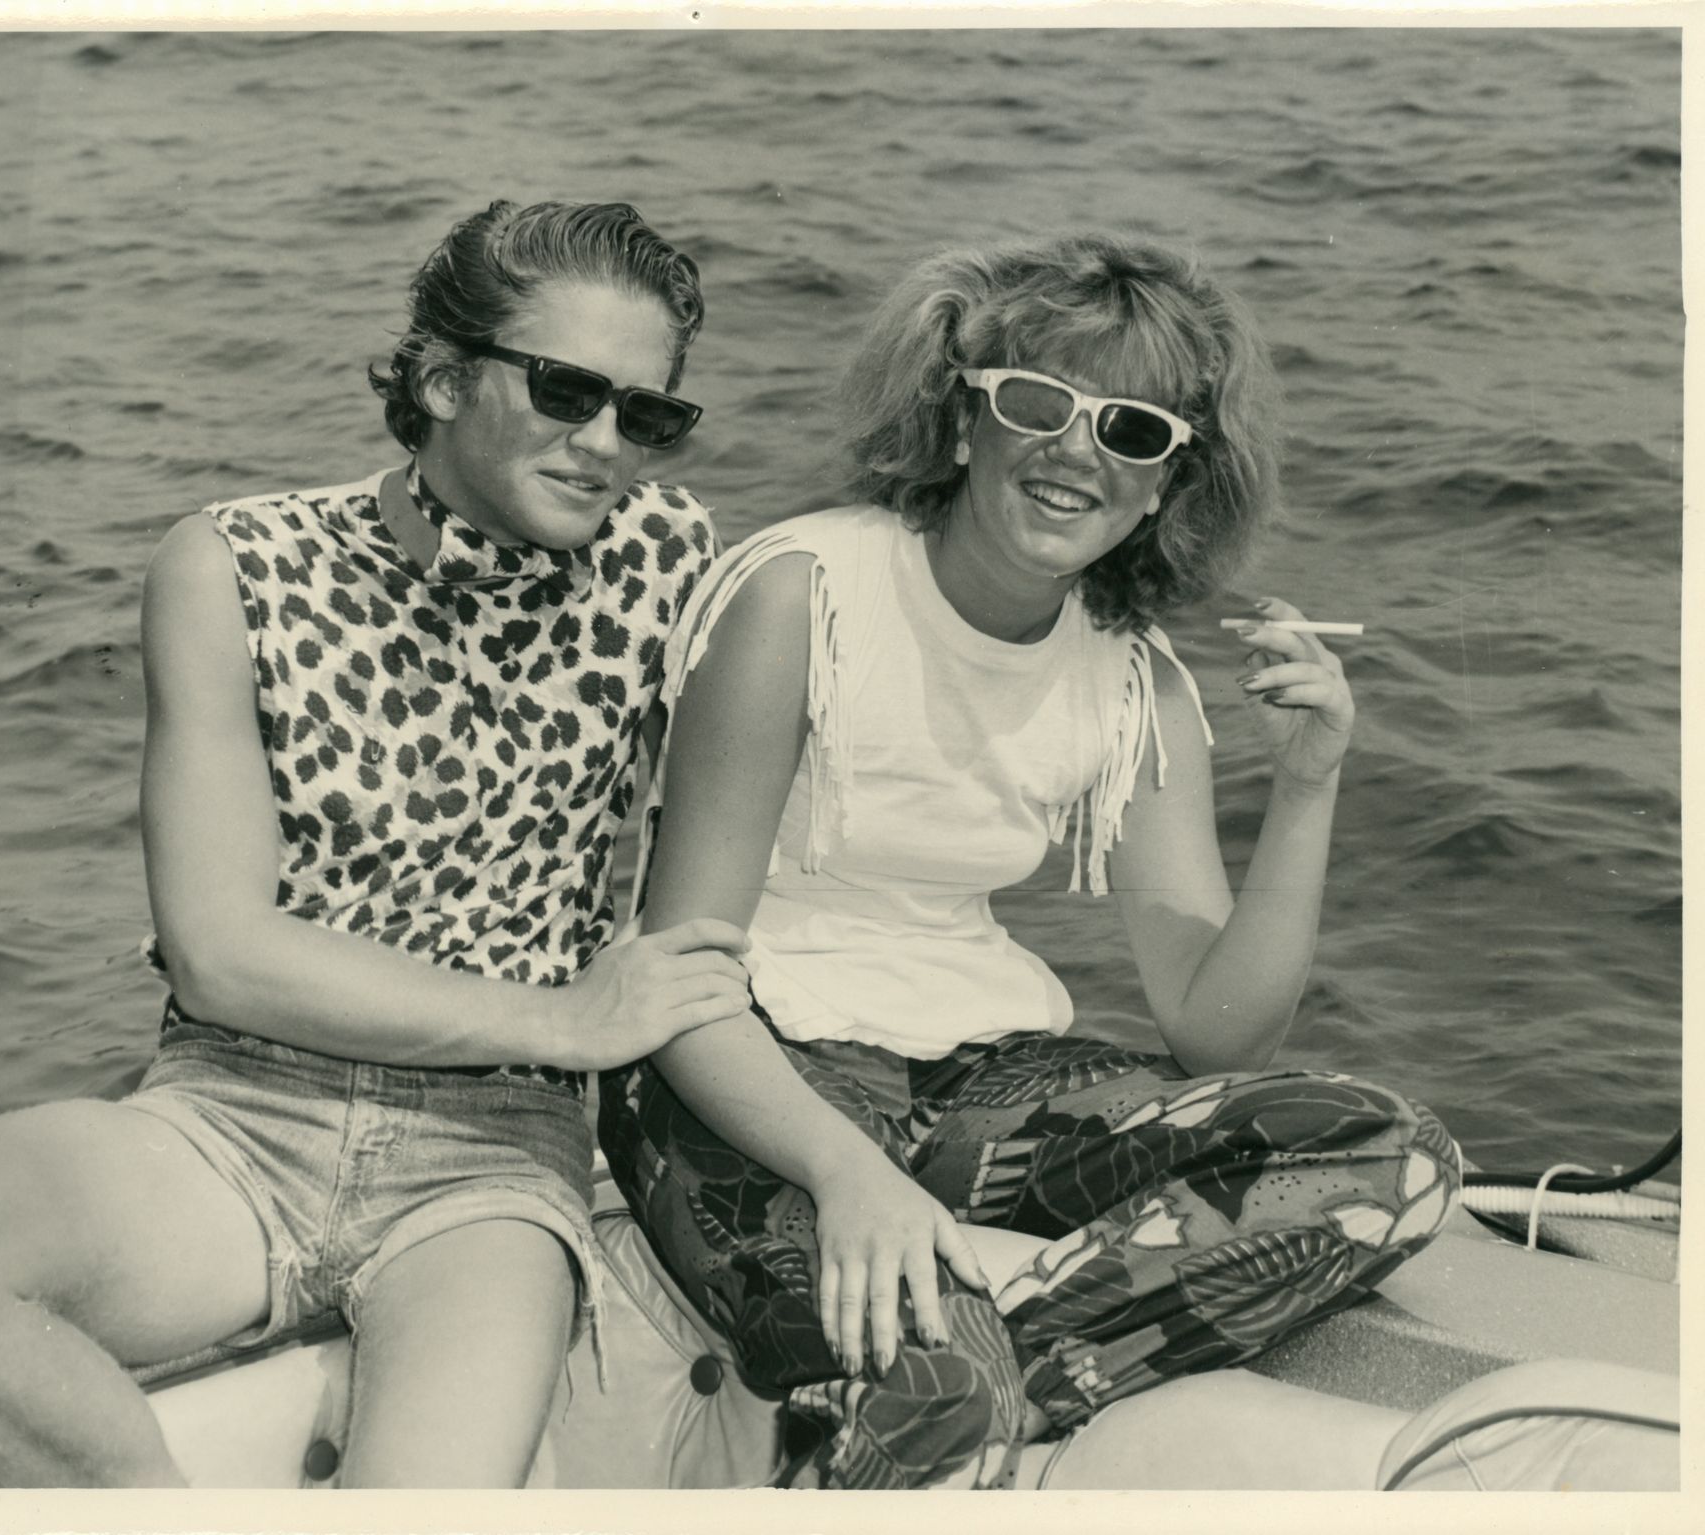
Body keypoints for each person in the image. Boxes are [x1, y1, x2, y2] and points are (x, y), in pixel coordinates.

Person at [0, 199, 751, 1489]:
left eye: (646, 414)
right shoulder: (240, 565)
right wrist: (568, 1020)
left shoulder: (674, 557)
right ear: (438, 376)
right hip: (235, 1109)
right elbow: (221, 955)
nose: (605, 444)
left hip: (489, 1166)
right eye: (565, 389)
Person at [598, 231, 1463, 1490]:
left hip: (975, 1078)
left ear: (1167, 481)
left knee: (1393, 1160)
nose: (1077, 451)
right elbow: (679, 976)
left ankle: (984, 1375)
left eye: (1133, 430)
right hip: (742, 1067)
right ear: (962, 424)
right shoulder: (802, 595)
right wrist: (848, 1173)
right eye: (1041, 403)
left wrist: (1308, 778)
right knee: (941, 1394)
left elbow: (1219, 1028)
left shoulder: (1135, 680)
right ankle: (960, 1385)